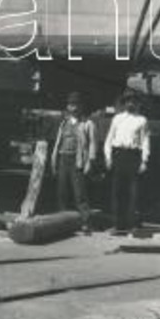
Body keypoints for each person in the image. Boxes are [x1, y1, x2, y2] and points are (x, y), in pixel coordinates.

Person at [50, 92, 98, 232]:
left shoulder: (88, 124)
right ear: (68, 107)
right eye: (71, 105)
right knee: (62, 191)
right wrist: (54, 160)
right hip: (63, 158)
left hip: (78, 161)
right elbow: (58, 142)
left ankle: (86, 222)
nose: (74, 108)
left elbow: (93, 145)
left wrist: (90, 161)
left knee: (80, 193)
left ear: (81, 107)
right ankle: (61, 221)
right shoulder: (63, 123)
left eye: (76, 105)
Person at [104, 90, 150, 231]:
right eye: (128, 101)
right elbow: (109, 139)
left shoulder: (142, 120)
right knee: (117, 191)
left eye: (133, 101)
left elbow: (145, 141)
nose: (130, 103)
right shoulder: (117, 118)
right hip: (118, 155)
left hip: (134, 156)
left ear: (137, 103)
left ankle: (133, 224)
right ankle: (117, 224)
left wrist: (144, 161)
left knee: (133, 192)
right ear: (124, 103)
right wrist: (108, 157)